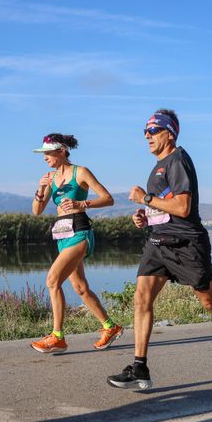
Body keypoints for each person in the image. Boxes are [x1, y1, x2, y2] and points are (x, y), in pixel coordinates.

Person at [107, 109, 212, 390]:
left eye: (153, 131)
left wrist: (146, 197)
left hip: (188, 244)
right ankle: (140, 367)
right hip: (159, 243)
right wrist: (145, 216)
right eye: (145, 132)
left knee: (211, 302)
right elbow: (166, 209)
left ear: (169, 134)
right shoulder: (159, 165)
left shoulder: (178, 161)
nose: (147, 136)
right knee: (141, 299)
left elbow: (184, 208)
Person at [29, 134, 124, 353]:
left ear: (61, 151)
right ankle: (110, 327)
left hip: (80, 232)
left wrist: (82, 203)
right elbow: (36, 211)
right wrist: (41, 189)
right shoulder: (50, 178)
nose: (44, 158)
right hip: (62, 236)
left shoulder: (80, 172)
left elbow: (108, 198)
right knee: (80, 288)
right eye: (43, 154)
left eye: (48, 153)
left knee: (52, 281)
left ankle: (57, 336)